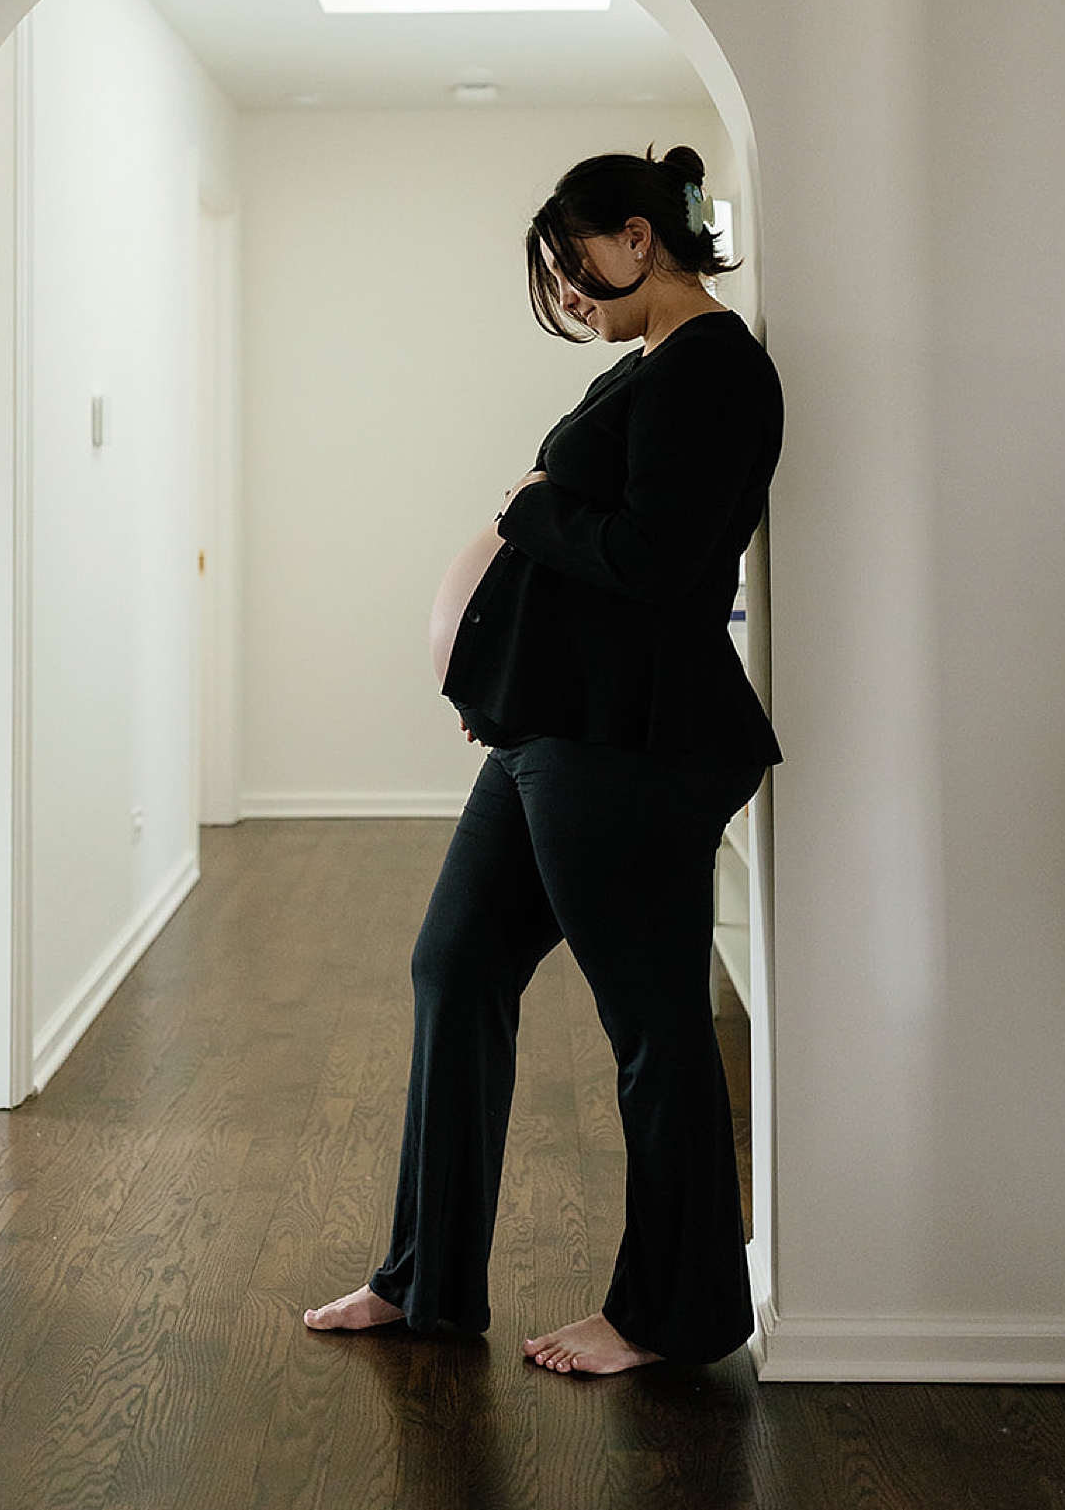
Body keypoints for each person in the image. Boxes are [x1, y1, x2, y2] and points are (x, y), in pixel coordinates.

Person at [304, 145, 784, 1374]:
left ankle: (669, 1315)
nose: (570, 292)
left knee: (652, 1026)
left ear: (638, 236)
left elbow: (654, 562)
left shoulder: (717, 367)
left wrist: (525, 508)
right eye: (557, 279)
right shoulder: (653, 367)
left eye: (576, 266)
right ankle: (426, 1279)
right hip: (552, 734)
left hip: (631, 746)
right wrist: (509, 672)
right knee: (454, 967)